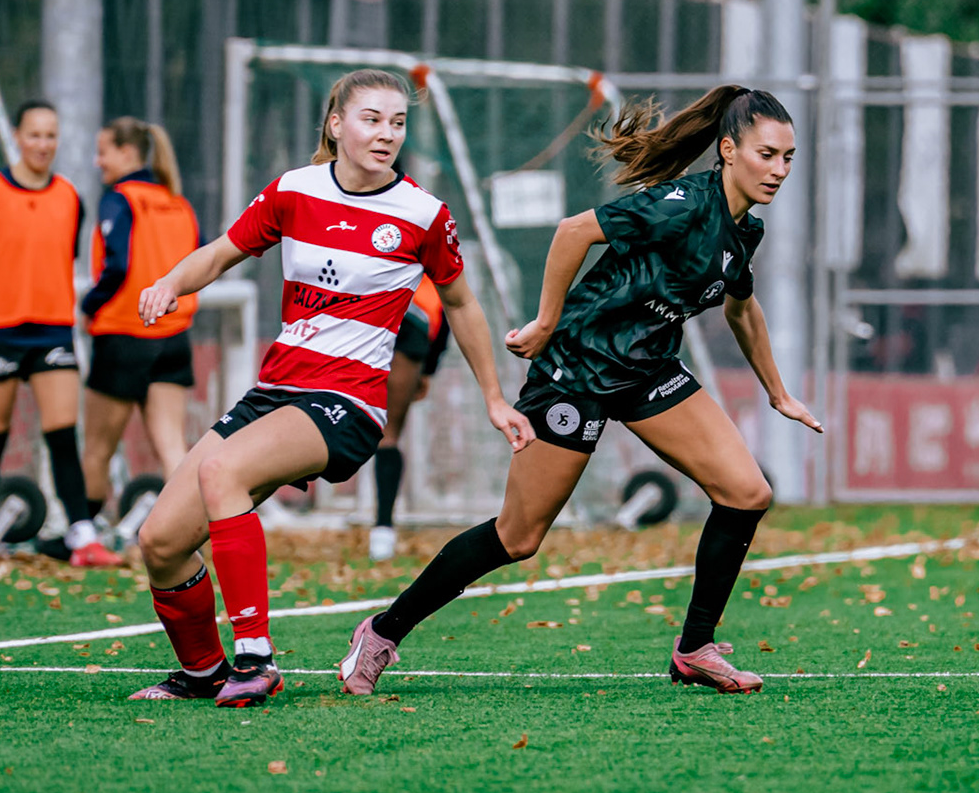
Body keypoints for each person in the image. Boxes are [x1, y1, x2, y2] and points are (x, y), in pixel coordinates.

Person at [336, 86, 822, 697]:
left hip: (648, 370)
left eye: (788, 157)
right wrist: (546, 322)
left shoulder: (744, 229)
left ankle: (694, 649)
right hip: (578, 366)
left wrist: (778, 392)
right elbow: (573, 231)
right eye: (766, 154)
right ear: (728, 150)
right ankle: (381, 632)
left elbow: (742, 308)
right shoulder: (679, 205)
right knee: (518, 537)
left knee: (747, 493)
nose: (779, 169)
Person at [125, 68, 533, 707]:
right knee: (161, 542)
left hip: (348, 402)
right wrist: (169, 283)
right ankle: (203, 671)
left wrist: (494, 397)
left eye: (398, 122)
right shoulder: (295, 190)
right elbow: (222, 251)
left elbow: (461, 303)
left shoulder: (422, 214)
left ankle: (255, 660)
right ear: (336, 124)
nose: (387, 134)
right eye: (372, 119)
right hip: (275, 392)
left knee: (222, 472)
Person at [0, 99, 118, 567]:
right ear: (17, 137)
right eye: (34, 134)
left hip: (51, 331)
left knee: (62, 435)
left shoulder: (69, 197)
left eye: (50, 135)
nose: (43, 144)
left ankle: (82, 537)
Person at [79, 117, 201, 524]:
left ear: (127, 153)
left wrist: (89, 306)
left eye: (103, 152)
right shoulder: (178, 203)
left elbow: (117, 266)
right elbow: (199, 259)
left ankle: (84, 535)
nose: (98, 161)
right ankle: (187, 530)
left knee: (97, 449)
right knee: (172, 447)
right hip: (174, 337)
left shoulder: (120, 199)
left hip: (124, 334)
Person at [366, 278, 450, 561]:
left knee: (385, 433)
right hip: (405, 319)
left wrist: (428, 368)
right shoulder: (432, 258)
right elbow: (450, 302)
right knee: (387, 435)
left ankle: (383, 528)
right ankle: (383, 531)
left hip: (381, 315)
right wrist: (429, 368)